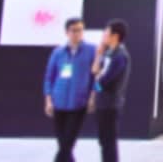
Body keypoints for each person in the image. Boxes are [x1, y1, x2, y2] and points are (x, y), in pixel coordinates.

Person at [43, 18, 97, 162]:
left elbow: (96, 77)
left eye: (80, 30)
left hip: (78, 103)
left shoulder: (92, 50)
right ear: (67, 32)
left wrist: (92, 97)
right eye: (74, 30)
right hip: (58, 102)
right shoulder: (58, 52)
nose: (78, 33)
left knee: (67, 144)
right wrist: (48, 100)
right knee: (63, 145)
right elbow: (49, 77)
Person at [91, 19, 131, 162]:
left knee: (108, 141)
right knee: (104, 141)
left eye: (106, 33)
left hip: (110, 104)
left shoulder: (120, 56)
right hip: (102, 102)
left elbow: (105, 81)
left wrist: (97, 80)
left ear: (115, 35)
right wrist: (98, 55)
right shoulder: (109, 53)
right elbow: (96, 72)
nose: (103, 36)